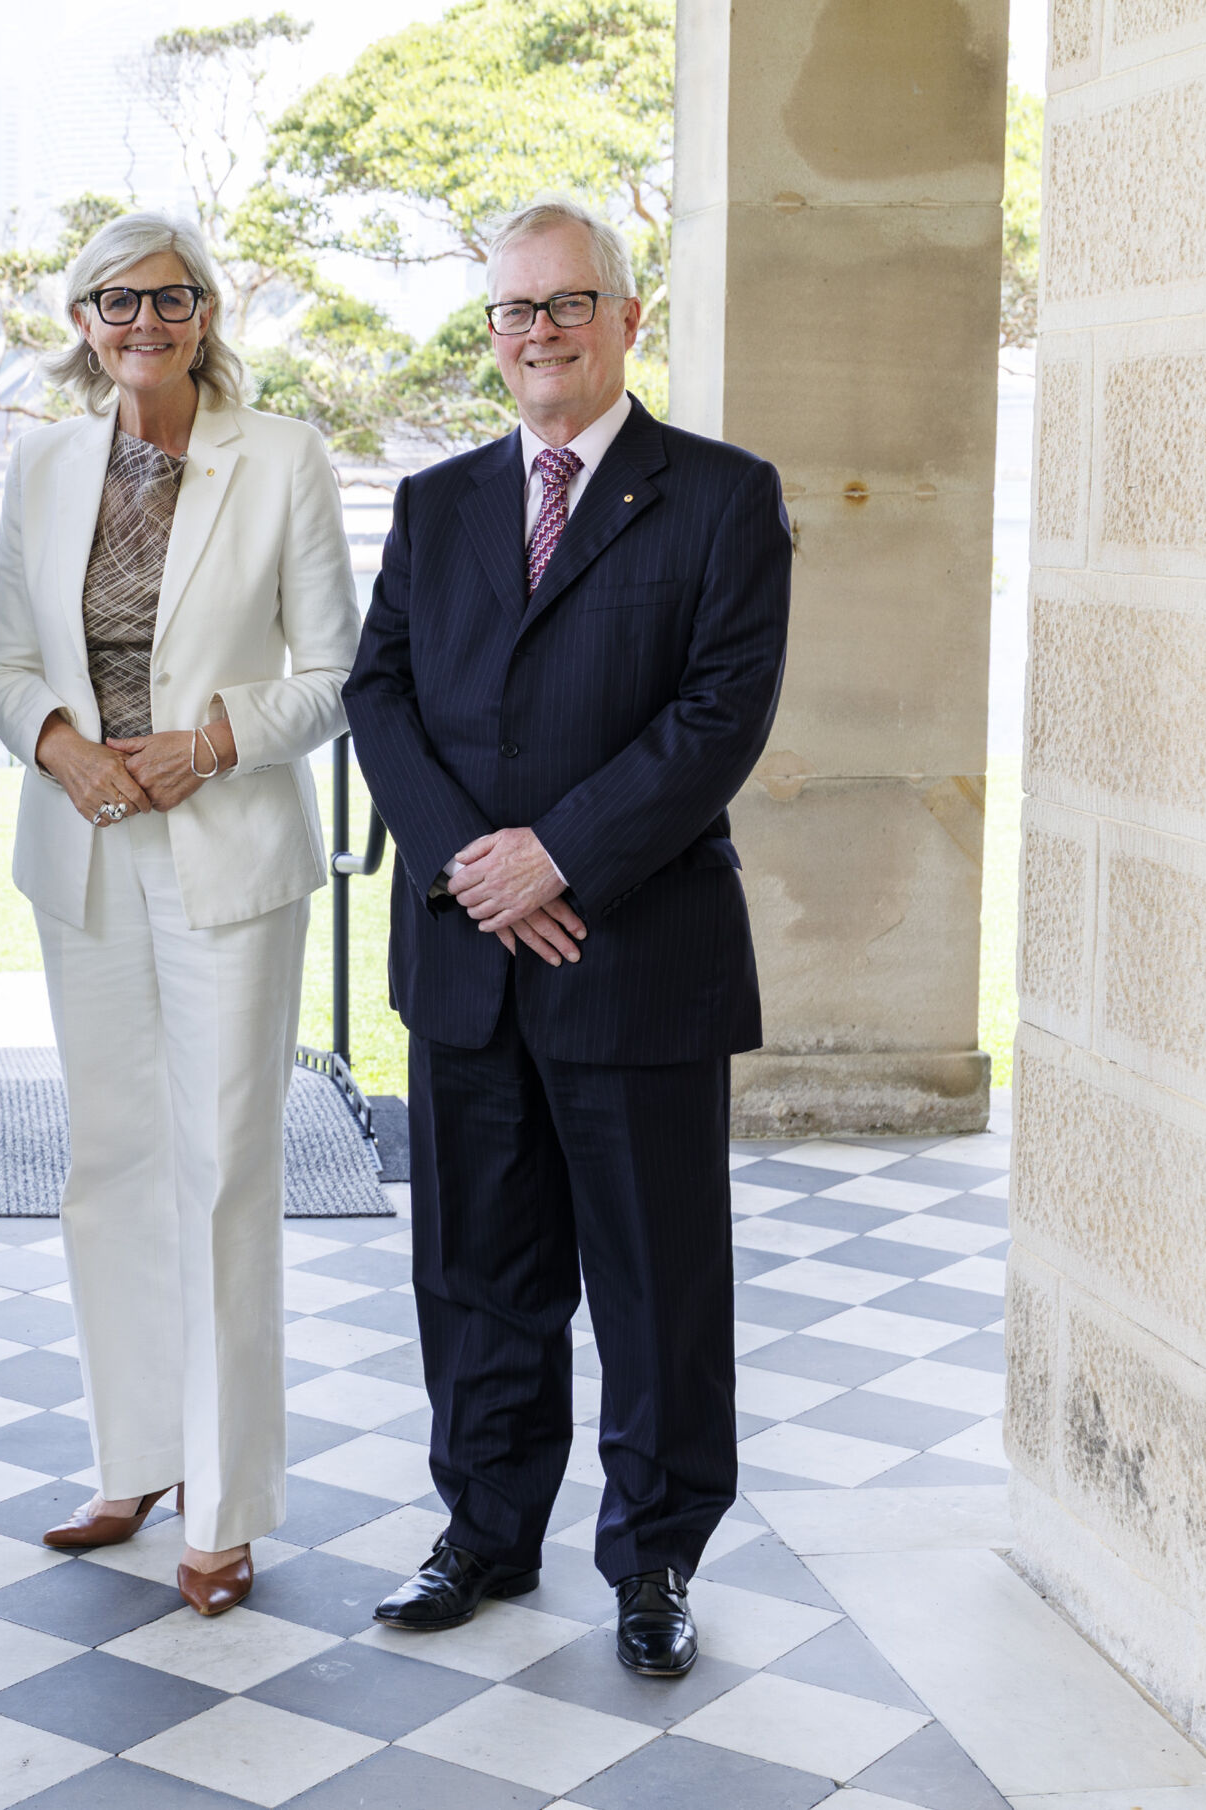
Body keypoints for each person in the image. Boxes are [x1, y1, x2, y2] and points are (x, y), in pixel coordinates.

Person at [344, 195, 791, 1677]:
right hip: (471, 965)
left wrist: (558, 857)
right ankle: (484, 1529)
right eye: (513, 311)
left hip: (635, 959)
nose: (537, 335)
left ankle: (655, 1556)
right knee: (479, 1272)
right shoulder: (436, 502)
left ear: (626, 318)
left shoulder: (721, 497)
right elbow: (379, 694)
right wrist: (477, 865)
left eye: (566, 306)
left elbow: (719, 717)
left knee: (659, 1286)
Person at [0, 211, 357, 1617]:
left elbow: (333, 670)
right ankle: (131, 1456)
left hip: (226, 849)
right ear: (82, 321)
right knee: (114, 1159)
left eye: (174, 297)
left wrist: (211, 739)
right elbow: (4, 663)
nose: (147, 319)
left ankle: (224, 1492)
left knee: (224, 1170)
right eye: (118, 300)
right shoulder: (44, 459)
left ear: (207, 314)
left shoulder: (286, 457)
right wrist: (59, 742)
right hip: (84, 846)